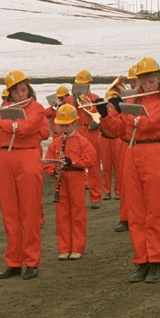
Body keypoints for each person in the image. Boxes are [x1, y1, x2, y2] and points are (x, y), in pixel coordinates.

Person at [96, 58, 160, 283]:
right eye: (145, 81)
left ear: (159, 79)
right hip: (131, 152)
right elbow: (120, 130)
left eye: (152, 80)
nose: (148, 84)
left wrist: (124, 108)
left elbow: (149, 123)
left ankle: (156, 262)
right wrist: (105, 114)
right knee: (136, 212)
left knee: (155, 211)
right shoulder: (132, 99)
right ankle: (142, 261)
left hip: (152, 153)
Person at [0, 70, 50, 280]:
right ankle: (13, 262)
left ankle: (32, 261)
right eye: (16, 92)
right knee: (9, 213)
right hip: (5, 159)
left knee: (29, 212)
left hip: (28, 158)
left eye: (23, 90)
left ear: (29, 90)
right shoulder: (4, 109)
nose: (21, 94)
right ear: (10, 94)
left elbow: (24, 128)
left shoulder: (37, 109)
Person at [43, 104, 97, 261]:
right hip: (61, 180)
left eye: (67, 125)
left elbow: (90, 159)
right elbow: (47, 162)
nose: (64, 129)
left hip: (76, 178)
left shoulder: (82, 141)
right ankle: (64, 248)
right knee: (62, 215)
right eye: (61, 126)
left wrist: (72, 161)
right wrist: (53, 170)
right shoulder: (55, 143)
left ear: (75, 124)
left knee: (78, 214)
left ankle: (77, 247)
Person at [101, 66, 138, 232]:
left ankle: (137, 217)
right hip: (123, 142)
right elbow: (116, 124)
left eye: (136, 80)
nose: (133, 83)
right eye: (132, 80)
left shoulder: (149, 98)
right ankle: (125, 217)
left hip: (141, 142)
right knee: (124, 180)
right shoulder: (126, 98)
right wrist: (109, 112)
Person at [72, 69, 106, 209]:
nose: (82, 87)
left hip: (91, 132)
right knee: (75, 166)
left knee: (94, 166)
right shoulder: (71, 99)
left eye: (84, 84)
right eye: (79, 84)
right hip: (76, 131)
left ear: (89, 84)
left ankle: (95, 198)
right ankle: (76, 198)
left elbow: (103, 117)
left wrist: (97, 123)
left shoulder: (96, 98)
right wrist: (73, 102)